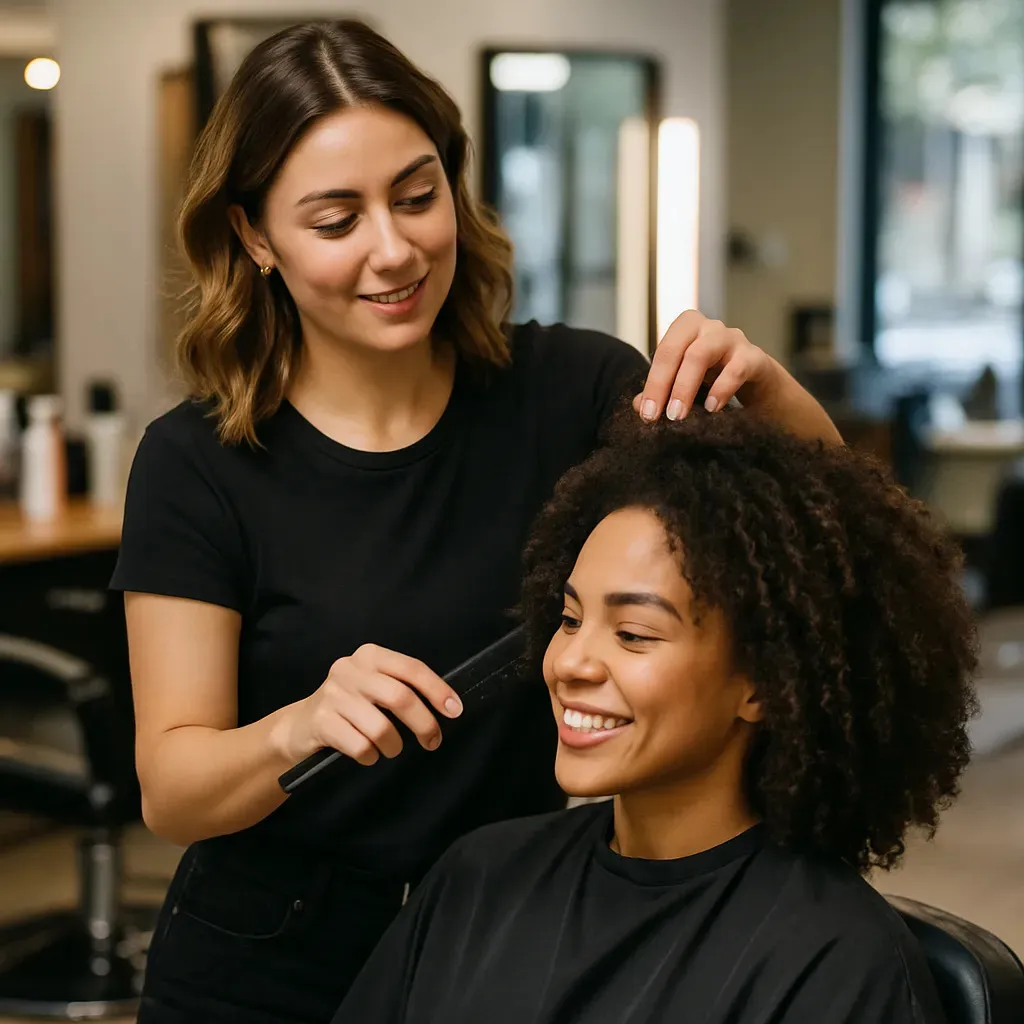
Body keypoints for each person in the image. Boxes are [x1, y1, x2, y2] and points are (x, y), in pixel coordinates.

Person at [110, 19, 842, 1024]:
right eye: (336, 220)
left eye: (417, 196)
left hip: (504, 934)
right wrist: (299, 725)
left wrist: (770, 391)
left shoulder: (573, 391)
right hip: (269, 961)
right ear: (253, 238)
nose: (395, 247)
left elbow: (823, 543)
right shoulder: (197, 465)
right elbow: (173, 787)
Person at [332, 407, 977, 1024]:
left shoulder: (833, 962)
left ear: (763, 683)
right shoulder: (477, 880)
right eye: (570, 619)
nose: (570, 663)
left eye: (635, 634)